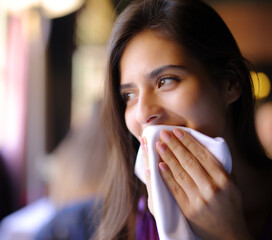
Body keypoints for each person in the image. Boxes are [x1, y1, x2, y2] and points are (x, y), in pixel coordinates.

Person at [96, 0, 272, 239]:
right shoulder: (138, 222)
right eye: (129, 95)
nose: (143, 113)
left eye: (166, 80)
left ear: (231, 83)